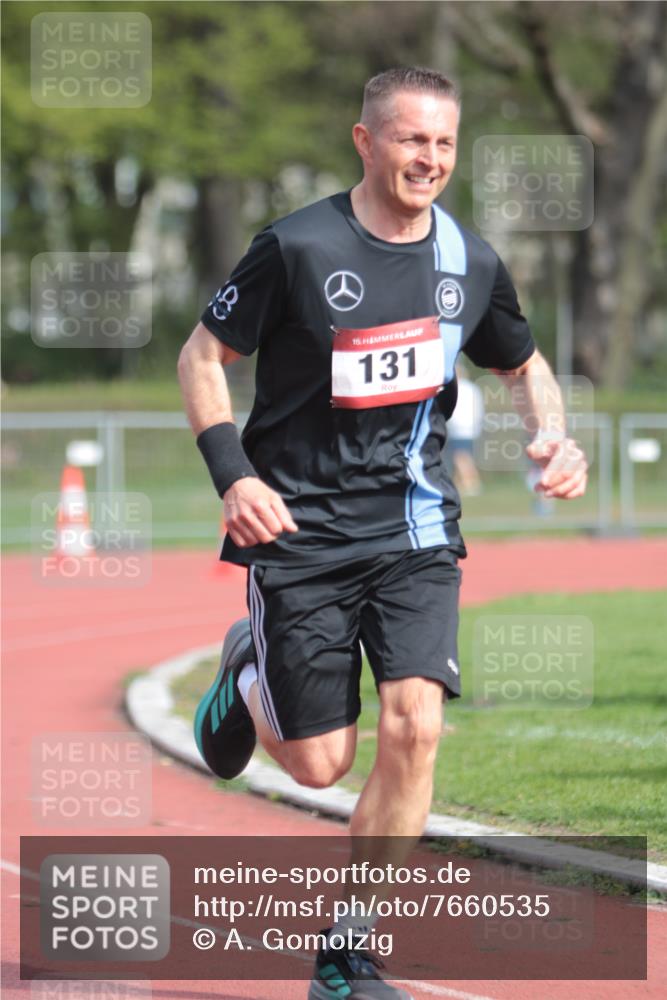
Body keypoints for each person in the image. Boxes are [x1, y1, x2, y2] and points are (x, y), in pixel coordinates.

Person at [178, 66, 588, 999]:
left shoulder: (468, 261)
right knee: (323, 763)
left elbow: (524, 367)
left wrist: (551, 437)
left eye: (443, 144)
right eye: (410, 140)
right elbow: (202, 355)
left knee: (415, 728)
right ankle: (247, 670)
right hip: (298, 530)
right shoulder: (296, 248)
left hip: (414, 526)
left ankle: (347, 948)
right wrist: (233, 475)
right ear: (364, 141)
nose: (428, 160)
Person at [446, 363, 484, 496]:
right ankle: (459, 485)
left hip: (459, 428)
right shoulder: (473, 388)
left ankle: (472, 484)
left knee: (460, 457)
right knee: (464, 456)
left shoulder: (457, 389)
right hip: (472, 428)